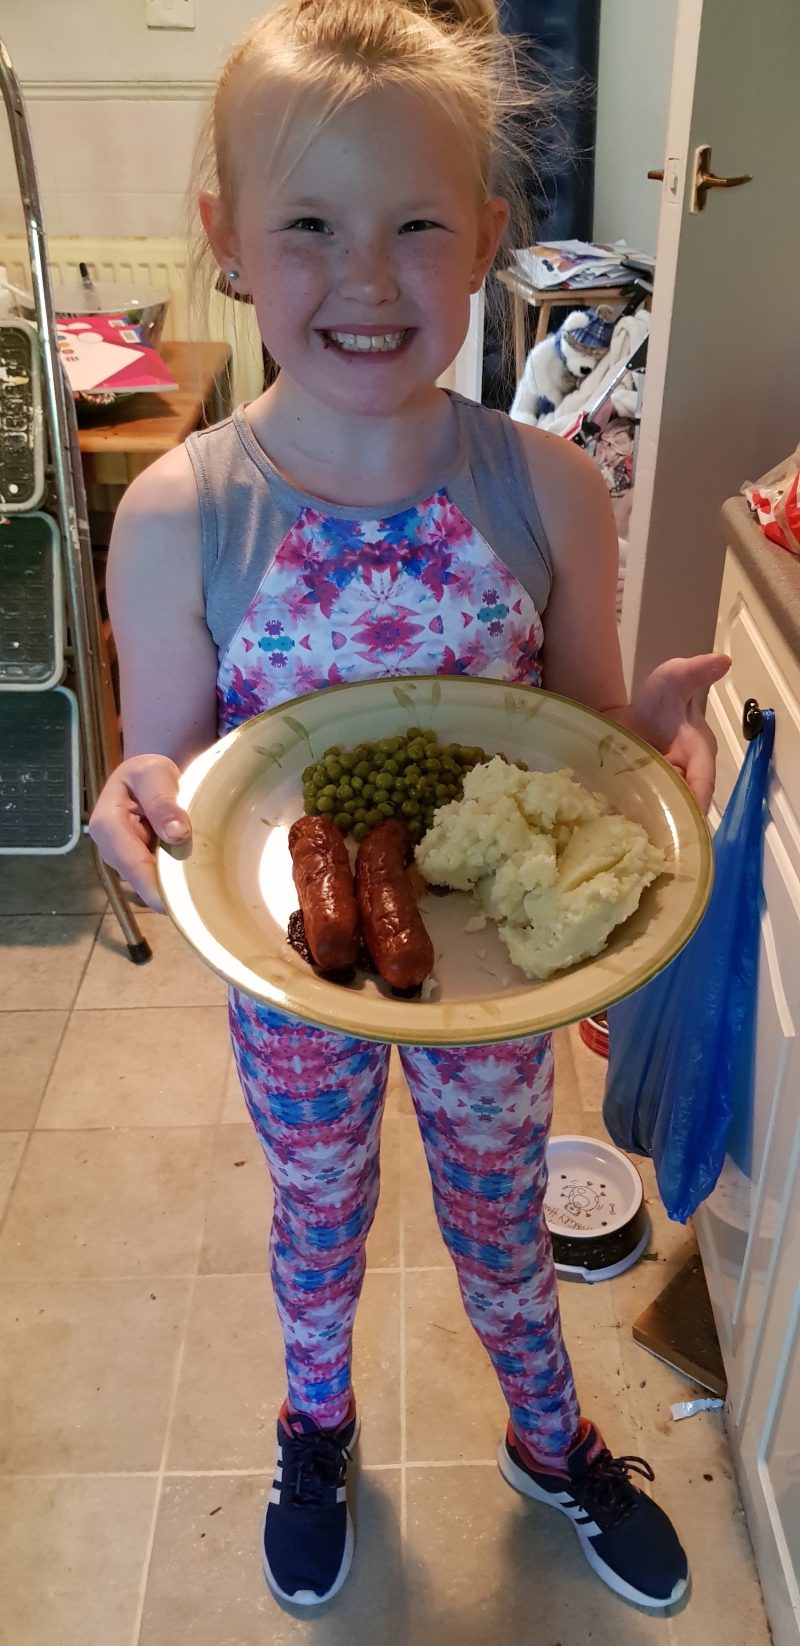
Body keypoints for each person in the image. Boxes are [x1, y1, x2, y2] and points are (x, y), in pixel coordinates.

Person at [90, 0, 728, 1614]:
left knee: (500, 1213)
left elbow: (581, 737)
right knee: (317, 1211)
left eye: (418, 226)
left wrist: (646, 748)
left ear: (491, 240)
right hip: (294, 979)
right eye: (310, 226)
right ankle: (314, 1426)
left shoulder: (550, 488)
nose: (367, 278)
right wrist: (138, 797)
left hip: (491, 977)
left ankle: (549, 1434)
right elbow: (176, 776)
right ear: (227, 240)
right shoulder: (178, 516)